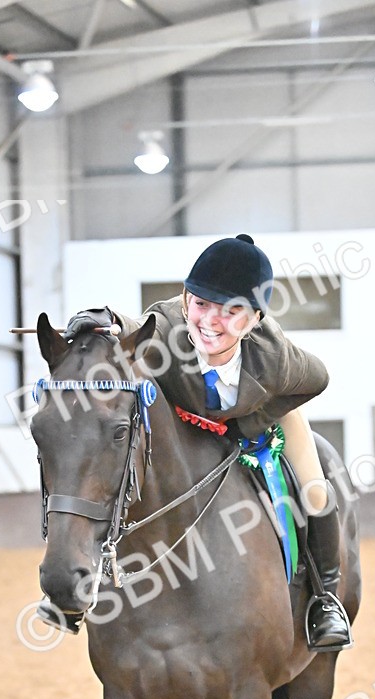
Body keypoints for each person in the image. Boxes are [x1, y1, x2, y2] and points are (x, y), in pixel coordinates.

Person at [60, 233, 352, 651]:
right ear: (184, 300)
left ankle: (324, 601)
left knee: (316, 491)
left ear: (254, 321)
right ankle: (70, 588)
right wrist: (97, 318)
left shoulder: (274, 358)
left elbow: (318, 379)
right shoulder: (166, 329)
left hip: (264, 416)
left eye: (233, 312)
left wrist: (248, 421)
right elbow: (126, 325)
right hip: (185, 428)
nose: (211, 322)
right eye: (201, 305)